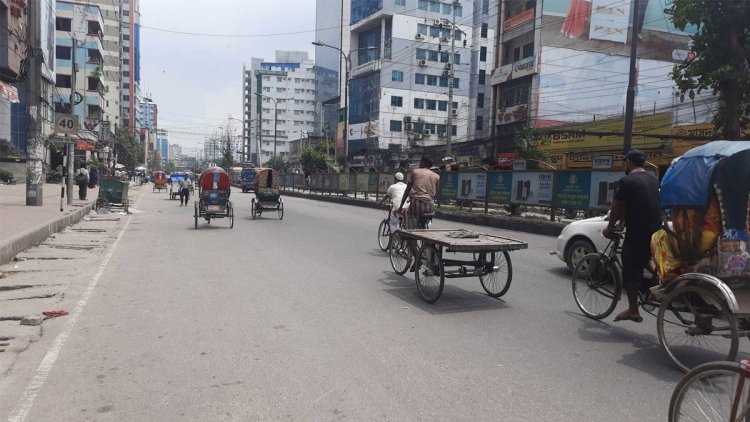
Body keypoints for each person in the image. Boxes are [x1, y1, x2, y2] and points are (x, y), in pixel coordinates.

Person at [603, 149, 661, 323]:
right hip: (655, 230)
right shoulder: (653, 179)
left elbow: (617, 207)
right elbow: (639, 203)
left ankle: (633, 310)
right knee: (644, 256)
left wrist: (610, 227)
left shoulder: (627, 181)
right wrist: (624, 221)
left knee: (629, 267)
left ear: (629, 162)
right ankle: (660, 277)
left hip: (638, 230)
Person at [408, 156, 440, 229]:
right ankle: (426, 226)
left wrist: (400, 206)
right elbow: (436, 194)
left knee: (410, 224)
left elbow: (407, 190)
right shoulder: (437, 176)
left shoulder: (415, 172)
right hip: (429, 206)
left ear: (423, 163)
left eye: (420, 162)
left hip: (416, 204)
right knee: (426, 219)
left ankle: (411, 238)